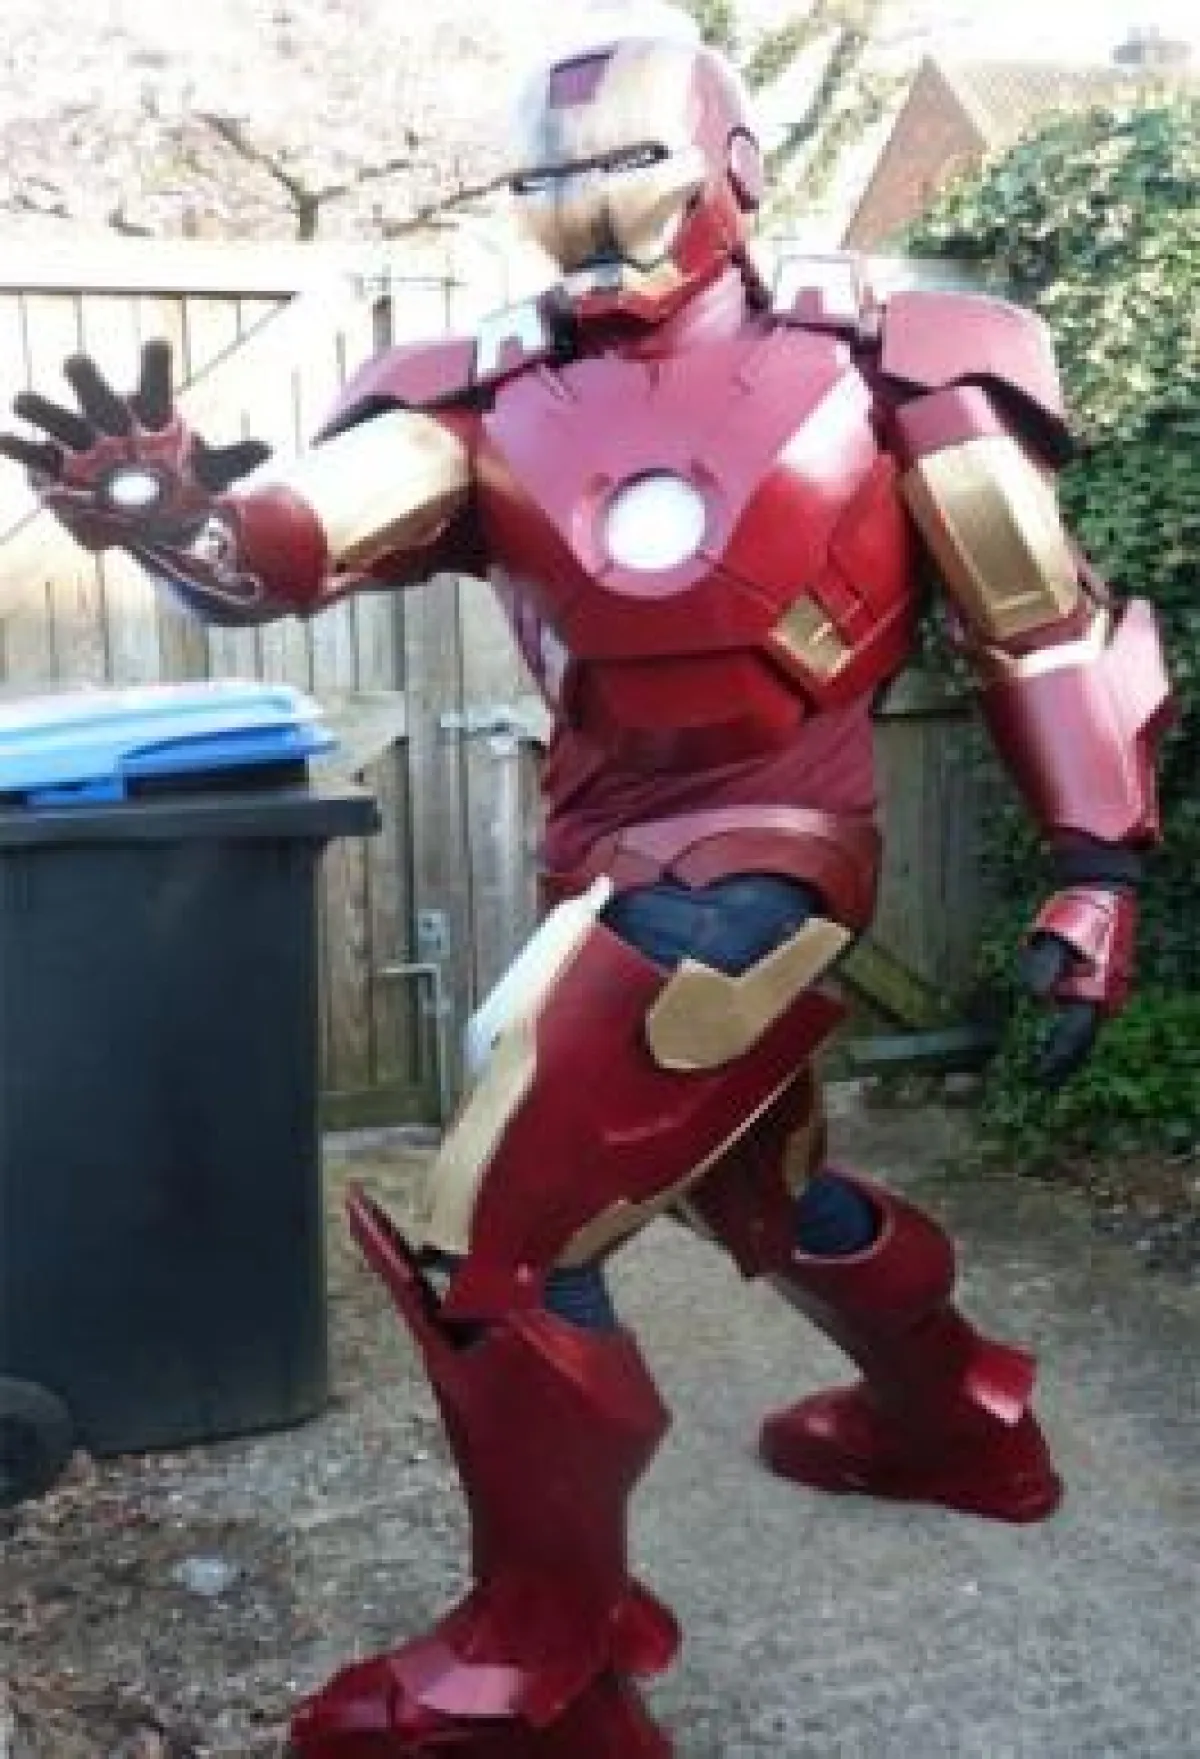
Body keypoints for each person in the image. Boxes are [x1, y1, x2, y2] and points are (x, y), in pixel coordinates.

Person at [0, 8, 1172, 1754]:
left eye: (629, 159)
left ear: (734, 166)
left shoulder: (894, 360)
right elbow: (290, 546)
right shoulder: (484, 391)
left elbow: (1046, 628)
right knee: (763, 1199)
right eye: (548, 175)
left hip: (773, 859)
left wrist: (1092, 868)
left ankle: (543, 1669)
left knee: (494, 1241)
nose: (589, 205)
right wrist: (172, 516)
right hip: (608, 856)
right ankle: (959, 1421)